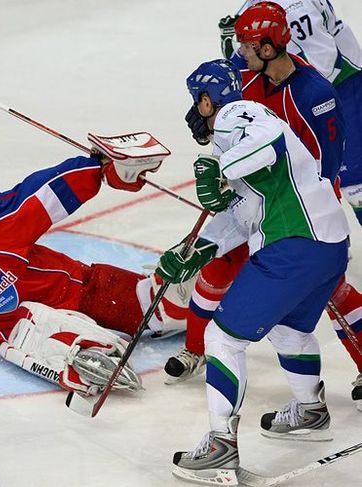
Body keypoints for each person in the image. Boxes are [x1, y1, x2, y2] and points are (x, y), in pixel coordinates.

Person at [158, 59, 349, 485]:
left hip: (294, 244)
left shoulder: (235, 116)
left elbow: (272, 140)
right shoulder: (238, 144)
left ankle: (220, 446)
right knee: (288, 331)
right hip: (328, 244)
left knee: (221, 338)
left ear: (207, 101)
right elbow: (239, 218)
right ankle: (310, 412)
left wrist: (220, 170)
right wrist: (194, 251)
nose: (196, 111)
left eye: (197, 102)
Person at [167, 1, 362, 412]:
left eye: (246, 45)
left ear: (270, 47)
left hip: (298, 211)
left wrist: (231, 175)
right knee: (218, 265)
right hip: (254, 204)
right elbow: (226, 114)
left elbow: (321, 168)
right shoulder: (249, 81)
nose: (239, 52)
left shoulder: (315, 94)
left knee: (330, 291)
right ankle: (196, 349)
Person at [0, 149, 189, 396]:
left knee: (168, 305)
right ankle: (81, 353)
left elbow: (43, 192)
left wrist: (99, 169)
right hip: (27, 331)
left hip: (78, 290)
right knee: (36, 336)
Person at [220, 0, 362, 226]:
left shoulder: (296, 8)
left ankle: (325, 237)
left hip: (342, 83)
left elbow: (323, 64)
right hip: (298, 89)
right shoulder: (257, 9)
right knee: (301, 169)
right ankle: (325, 238)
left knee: (354, 184)